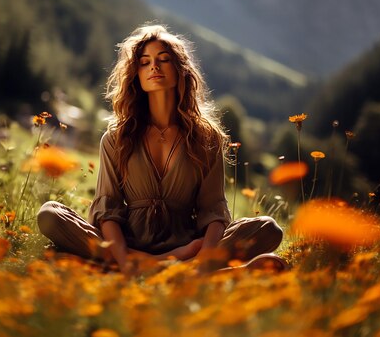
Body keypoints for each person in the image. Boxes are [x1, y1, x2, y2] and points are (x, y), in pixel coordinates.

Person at [37, 24, 285, 274]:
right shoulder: (117, 137)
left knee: (268, 228)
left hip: (189, 246)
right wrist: (125, 258)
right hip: (127, 245)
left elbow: (213, 211)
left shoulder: (206, 138)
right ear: (136, 74)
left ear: (180, 70)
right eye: (144, 62)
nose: (153, 66)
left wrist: (204, 258)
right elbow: (108, 210)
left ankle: (148, 269)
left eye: (163, 59)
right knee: (50, 215)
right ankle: (184, 272)